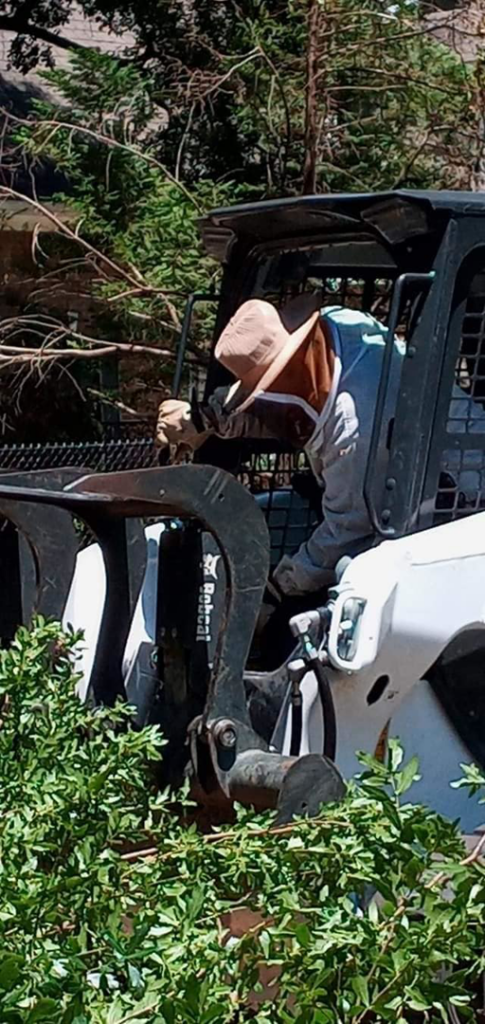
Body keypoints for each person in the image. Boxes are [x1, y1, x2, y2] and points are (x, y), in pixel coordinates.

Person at [156, 293, 404, 648]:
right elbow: (277, 409)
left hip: (442, 510)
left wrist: (277, 590)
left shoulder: (355, 428)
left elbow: (345, 531)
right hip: (386, 491)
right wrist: (203, 419)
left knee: (351, 578)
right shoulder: (338, 326)